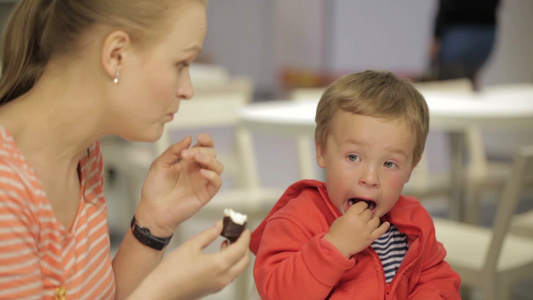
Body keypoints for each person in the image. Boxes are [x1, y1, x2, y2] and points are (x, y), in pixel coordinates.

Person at [0, 0, 250, 299]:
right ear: (116, 54)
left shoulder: (85, 157)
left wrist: (154, 222)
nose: (188, 89)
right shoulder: (6, 186)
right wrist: (164, 291)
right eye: (181, 64)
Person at [250, 71, 461, 299]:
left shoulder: (414, 223)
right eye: (353, 157)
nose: (370, 178)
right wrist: (335, 247)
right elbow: (277, 293)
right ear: (322, 151)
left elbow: (437, 280)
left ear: (412, 166)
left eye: (389, 163)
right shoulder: (295, 221)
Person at [429, 0, 501, 90]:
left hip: (458, 33)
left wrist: (436, 35)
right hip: (486, 34)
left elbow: (446, 4)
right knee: (468, 82)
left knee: (452, 87)